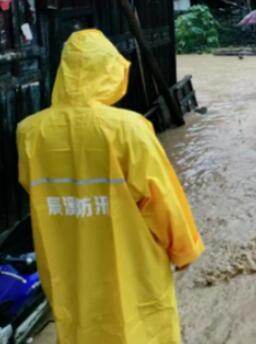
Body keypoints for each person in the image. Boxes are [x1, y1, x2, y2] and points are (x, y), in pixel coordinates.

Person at [16, 30, 204, 344]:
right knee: (139, 328)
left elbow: (32, 190)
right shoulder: (128, 128)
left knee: (78, 328)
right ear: (108, 71)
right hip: (133, 270)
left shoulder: (30, 132)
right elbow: (162, 200)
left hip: (69, 265)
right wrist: (183, 251)